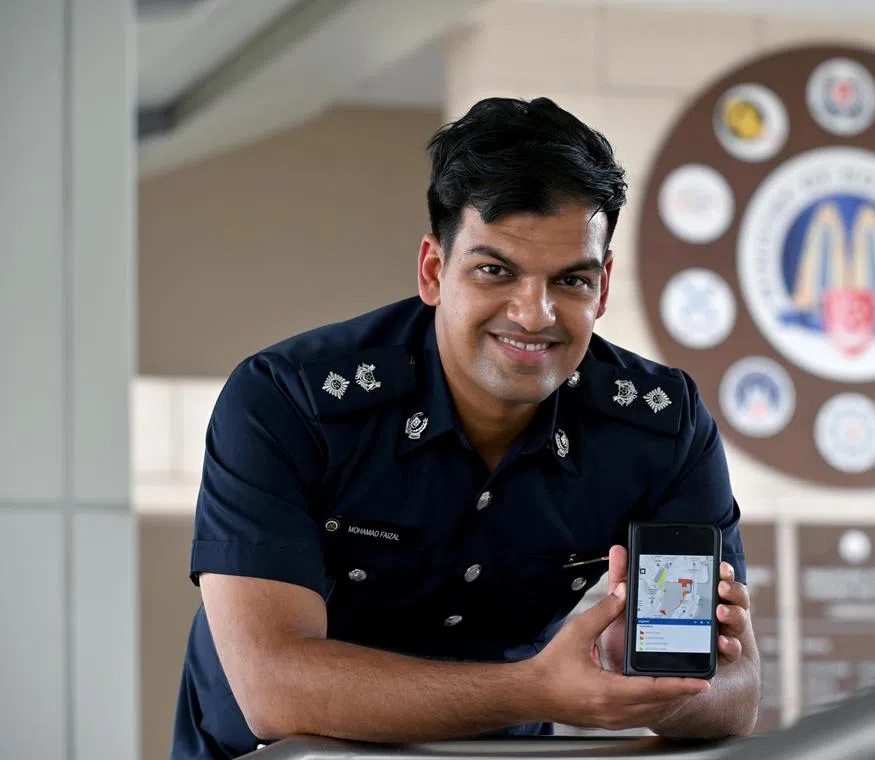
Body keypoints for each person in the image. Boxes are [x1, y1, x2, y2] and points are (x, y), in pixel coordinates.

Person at [170, 96, 762, 760]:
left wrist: (653, 679)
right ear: (433, 271)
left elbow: (735, 698)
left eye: (570, 280)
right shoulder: (288, 401)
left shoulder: (662, 427)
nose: (534, 314)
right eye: (495, 271)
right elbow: (274, 689)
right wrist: (536, 691)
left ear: (602, 289)